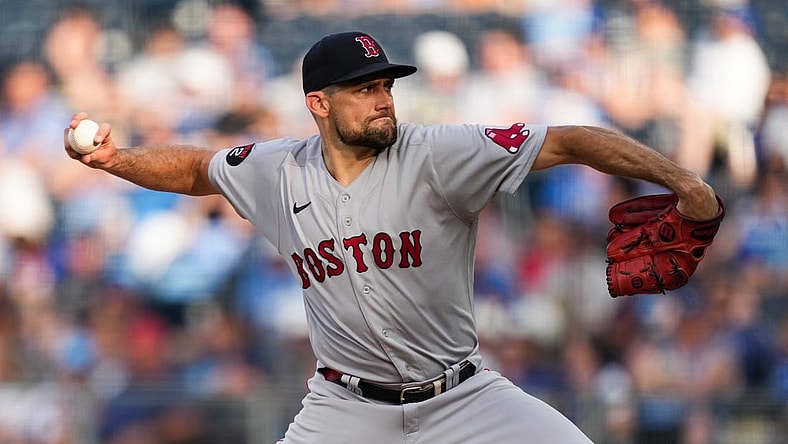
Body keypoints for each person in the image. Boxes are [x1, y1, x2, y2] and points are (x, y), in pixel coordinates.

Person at [65, 31, 721, 444]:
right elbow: (193, 167)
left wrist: (683, 181)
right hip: (345, 409)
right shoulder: (274, 169)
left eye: (385, 85)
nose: (383, 99)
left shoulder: (440, 154)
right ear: (319, 103)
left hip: (464, 397)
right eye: (363, 90)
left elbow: (572, 139)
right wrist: (116, 160)